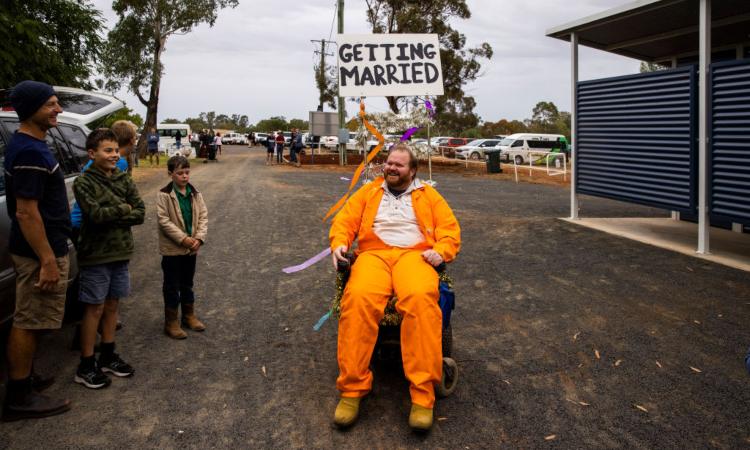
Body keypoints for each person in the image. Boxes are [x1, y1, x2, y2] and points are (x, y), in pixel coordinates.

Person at [329, 143, 461, 431]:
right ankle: (352, 390)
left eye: (399, 165)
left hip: (414, 255)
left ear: (412, 171)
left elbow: (449, 231)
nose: (391, 168)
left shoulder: (429, 195)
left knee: (420, 298)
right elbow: (345, 221)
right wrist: (339, 243)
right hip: (373, 254)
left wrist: (442, 250)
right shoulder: (369, 191)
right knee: (358, 298)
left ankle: (423, 396)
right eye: (389, 163)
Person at [2, 81, 72, 421]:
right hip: (36, 253)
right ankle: (18, 396)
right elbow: (26, 212)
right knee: (29, 320)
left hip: (43, 247)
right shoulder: (29, 151)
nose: (58, 109)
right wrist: (47, 259)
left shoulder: (31, 144)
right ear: (32, 110)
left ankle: (25, 377)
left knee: (36, 317)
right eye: (52, 104)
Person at [73, 128, 145, 389]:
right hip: (96, 254)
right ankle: (86, 363)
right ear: (92, 153)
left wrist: (116, 211)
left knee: (113, 305)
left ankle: (108, 353)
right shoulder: (84, 182)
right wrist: (123, 208)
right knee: (94, 308)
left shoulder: (123, 179)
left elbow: (140, 213)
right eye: (108, 150)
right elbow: (94, 216)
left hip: (121, 251)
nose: (114, 155)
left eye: (116, 150)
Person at [156, 155, 208, 339]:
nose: (184, 176)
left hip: (191, 249)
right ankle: (171, 321)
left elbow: (203, 217)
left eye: (187, 172)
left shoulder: (195, 193)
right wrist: (183, 239)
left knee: (187, 283)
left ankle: (189, 315)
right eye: (180, 173)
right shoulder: (164, 195)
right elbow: (164, 221)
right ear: (171, 174)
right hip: (172, 250)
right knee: (171, 285)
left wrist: (198, 239)